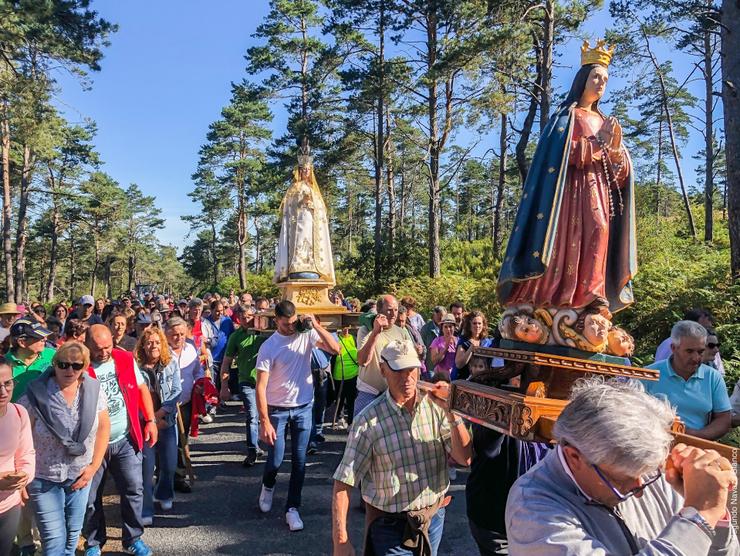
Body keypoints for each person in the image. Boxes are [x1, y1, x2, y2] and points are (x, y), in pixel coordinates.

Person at [505, 377, 739, 554]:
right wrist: (698, 516)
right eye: (622, 479)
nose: (641, 491)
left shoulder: (644, 471)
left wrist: (714, 512)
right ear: (574, 458)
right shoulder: (532, 510)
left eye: (648, 474)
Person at [497, 41, 636, 315]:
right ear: (583, 79)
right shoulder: (566, 117)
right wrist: (599, 146)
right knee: (565, 240)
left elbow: (618, 173)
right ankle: (552, 293)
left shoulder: (604, 121)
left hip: (597, 190)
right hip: (567, 195)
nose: (601, 83)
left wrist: (617, 149)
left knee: (599, 230)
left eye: (605, 80)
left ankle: (593, 295)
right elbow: (556, 155)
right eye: (596, 76)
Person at [331, 339, 473, 556]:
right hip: (390, 525)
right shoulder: (367, 421)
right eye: (398, 370)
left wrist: (451, 412)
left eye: (411, 369)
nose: (407, 378)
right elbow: (344, 481)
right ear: (383, 370)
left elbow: (465, 459)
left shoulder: (435, 406)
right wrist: (341, 539)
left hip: (432, 517)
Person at [255, 300, 339, 531]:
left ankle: (293, 508)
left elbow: (335, 349)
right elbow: (260, 386)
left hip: (303, 406)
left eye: (293, 323)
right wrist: (264, 421)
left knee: (300, 462)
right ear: (277, 321)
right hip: (277, 409)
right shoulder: (269, 346)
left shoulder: (306, 334)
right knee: (276, 459)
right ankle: (268, 485)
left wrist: (316, 325)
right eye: (286, 324)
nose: (291, 328)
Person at [20, 342, 110, 556]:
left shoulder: (94, 391)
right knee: (53, 541)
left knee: (72, 536)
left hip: (80, 475)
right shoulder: (36, 394)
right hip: (43, 477)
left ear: (85, 366)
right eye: (63, 364)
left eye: (76, 365)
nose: (69, 370)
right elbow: (20, 435)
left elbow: (104, 428)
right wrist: (21, 477)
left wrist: (93, 467)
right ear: (54, 364)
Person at [82, 325, 157, 556]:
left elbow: (142, 388)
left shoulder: (123, 358)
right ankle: (94, 542)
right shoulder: (80, 365)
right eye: (98, 348)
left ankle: (133, 538)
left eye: (108, 346)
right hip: (93, 444)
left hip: (125, 438)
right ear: (87, 345)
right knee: (90, 497)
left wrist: (151, 420)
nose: (105, 352)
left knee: (134, 489)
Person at [645, 321, 731, 440]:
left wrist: (695, 437)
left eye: (701, 351)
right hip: (652, 445)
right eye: (689, 351)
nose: (696, 358)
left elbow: (723, 419)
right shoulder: (648, 375)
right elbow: (630, 415)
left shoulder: (713, 377)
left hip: (696, 449)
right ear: (674, 348)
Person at [135, 326, 182, 524]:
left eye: (156, 342)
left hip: (167, 421)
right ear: (143, 346)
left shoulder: (170, 363)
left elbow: (176, 391)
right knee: (146, 469)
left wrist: (162, 413)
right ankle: (145, 508)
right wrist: (150, 419)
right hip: (144, 422)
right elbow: (134, 396)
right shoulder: (136, 367)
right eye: (149, 342)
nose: (153, 346)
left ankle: (164, 493)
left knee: (170, 465)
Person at [274, 149, 335, 283]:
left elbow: (321, 209)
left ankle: (313, 267)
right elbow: (288, 207)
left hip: (312, 222)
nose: (306, 171)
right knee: (300, 242)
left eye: (308, 169)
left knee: (312, 245)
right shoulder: (294, 188)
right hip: (298, 223)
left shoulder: (314, 190)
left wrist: (312, 204)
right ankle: (297, 267)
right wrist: (301, 202)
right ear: (299, 171)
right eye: (303, 169)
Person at [219, 305, 265, 467]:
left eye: (251, 316)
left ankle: (267, 447)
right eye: (244, 317)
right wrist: (224, 386)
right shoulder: (235, 337)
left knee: (267, 416)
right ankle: (252, 450)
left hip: (266, 382)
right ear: (238, 318)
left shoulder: (265, 334)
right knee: (252, 415)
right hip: (246, 381)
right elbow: (226, 362)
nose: (248, 320)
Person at [354, 295, 412, 417]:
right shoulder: (365, 330)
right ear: (380, 311)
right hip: (370, 393)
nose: (393, 314)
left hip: (393, 394)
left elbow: (410, 364)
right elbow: (363, 361)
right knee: (360, 433)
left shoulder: (402, 332)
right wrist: (375, 332)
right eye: (389, 310)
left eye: (396, 310)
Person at [0, 357, 35, 556]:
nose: (3, 391)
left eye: (8, 383)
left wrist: (23, 476)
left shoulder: (19, 413)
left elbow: (27, 454)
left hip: (9, 506)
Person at [165, 316, 202, 493]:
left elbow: (197, 370)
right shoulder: (161, 353)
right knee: (166, 443)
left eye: (181, 334)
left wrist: (201, 382)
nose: (178, 338)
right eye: (174, 334)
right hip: (165, 405)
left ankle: (179, 477)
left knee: (181, 440)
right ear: (166, 334)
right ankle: (164, 477)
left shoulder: (191, 349)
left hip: (185, 403)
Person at [655, 309, 725, 374]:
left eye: (709, 328)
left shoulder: (711, 344)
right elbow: (658, 373)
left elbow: (719, 372)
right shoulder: (670, 344)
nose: (706, 332)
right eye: (689, 351)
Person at [331, 326, 359, 427]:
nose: (345, 329)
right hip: (339, 374)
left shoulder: (354, 338)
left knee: (352, 399)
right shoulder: (336, 339)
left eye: (347, 327)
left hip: (353, 374)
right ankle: (340, 418)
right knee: (339, 398)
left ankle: (351, 422)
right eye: (343, 327)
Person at [454, 311, 492, 380]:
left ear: (483, 325)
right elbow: (459, 364)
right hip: (464, 381)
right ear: (469, 325)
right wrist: (471, 349)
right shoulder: (464, 341)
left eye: (479, 323)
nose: (477, 326)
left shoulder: (487, 342)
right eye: (474, 323)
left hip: (482, 381)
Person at [208, 300, 235, 396]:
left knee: (224, 379)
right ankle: (214, 403)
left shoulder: (227, 321)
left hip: (225, 355)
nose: (219, 313)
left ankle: (222, 400)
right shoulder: (206, 322)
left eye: (221, 310)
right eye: (217, 311)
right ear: (211, 310)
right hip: (212, 357)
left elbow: (232, 335)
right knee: (213, 381)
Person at [429, 314, 458, 381]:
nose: (448, 329)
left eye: (450, 326)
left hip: (455, 377)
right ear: (442, 328)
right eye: (446, 327)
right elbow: (434, 361)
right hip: (441, 377)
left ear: (454, 327)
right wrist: (445, 348)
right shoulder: (437, 341)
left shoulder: (458, 341)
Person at [421, 306, 446, 370]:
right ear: (434, 315)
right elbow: (422, 347)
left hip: (445, 366)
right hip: (430, 366)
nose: (440, 318)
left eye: (442, 316)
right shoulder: (426, 329)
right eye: (438, 316)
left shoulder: (448, 328)